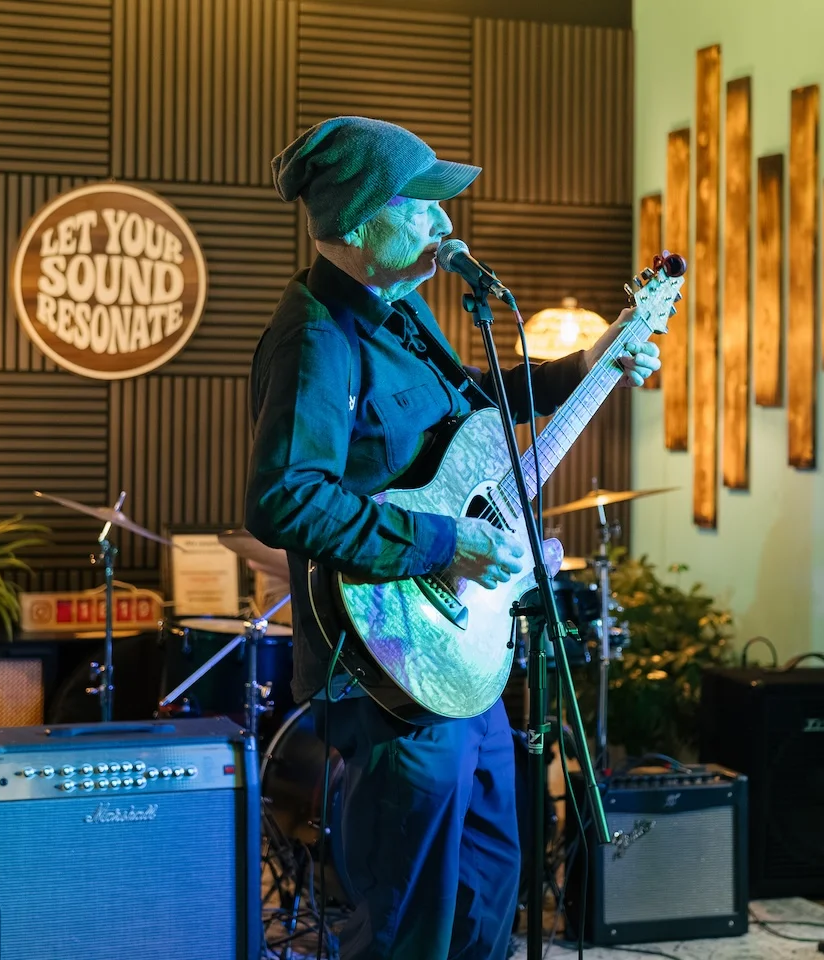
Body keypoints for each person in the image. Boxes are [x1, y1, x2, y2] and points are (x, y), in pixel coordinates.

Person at [244, 116, 660, 960]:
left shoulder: (404, 311)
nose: (444, 224)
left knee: (487, 892)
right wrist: (444, 547)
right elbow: (282, 498)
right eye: (422, 204)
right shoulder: (317, 334)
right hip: (388, 667)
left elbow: (477, 398)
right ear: (359, 226)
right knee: (412, 922)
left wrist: (592, 361)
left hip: (462, 662)